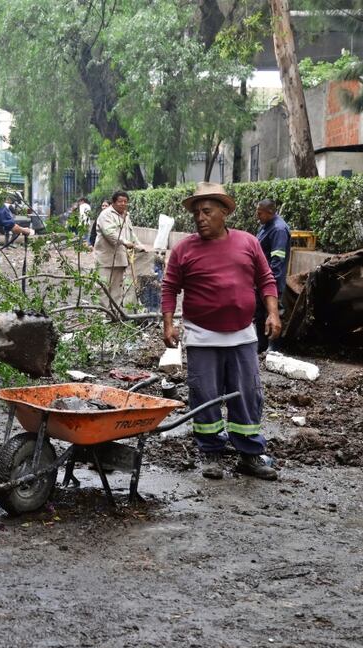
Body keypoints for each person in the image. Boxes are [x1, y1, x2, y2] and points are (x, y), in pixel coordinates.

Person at [161, 182, 280, 481]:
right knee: (205, 394)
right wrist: (168, 323)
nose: (200, 218)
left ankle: (249, 455)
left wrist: (274, 313)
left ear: (224, 212)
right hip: (202, 335)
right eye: (197, 213)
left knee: (248, 395)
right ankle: (211, 453)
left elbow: (266, 279)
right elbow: (169, 287)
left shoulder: (248, 242)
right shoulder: (184, 249)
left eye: (207, 211)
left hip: (242, 334)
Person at [93, 190, 143, 308]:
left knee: (117, 287)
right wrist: (124, 241)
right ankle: (103, 312)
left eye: (125, 201)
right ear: (114, 202)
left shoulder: (126, 216)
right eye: (120, 201)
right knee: (103, 287)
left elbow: (131, 234)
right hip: (106, 258)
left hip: (120, 258)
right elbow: (109, 232)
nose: (123, 204)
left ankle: (115, 313)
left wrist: (140, 246)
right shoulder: (105, 214)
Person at [254, 199, 291, 353]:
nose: (257, 216)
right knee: (260, 313)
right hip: (260, 281)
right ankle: (261, 346)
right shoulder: (266, 227)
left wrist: (272, 283)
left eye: (259, 212)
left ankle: (274, 348)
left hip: (271, 281)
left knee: (274, 313)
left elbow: (277, 260)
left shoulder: (278, 230)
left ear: (270, 212)